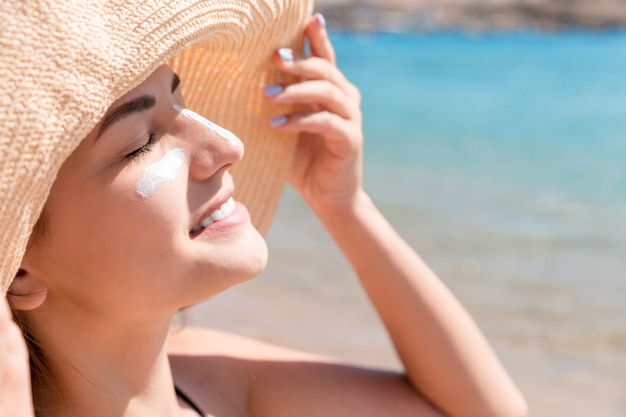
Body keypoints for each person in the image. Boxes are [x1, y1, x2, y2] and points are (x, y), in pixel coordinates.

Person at [0, 1, 528, 416]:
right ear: (18, 268)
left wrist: (343, 206)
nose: (228, 146)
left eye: (182, 102)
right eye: (141, 141)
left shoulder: (209, 382)